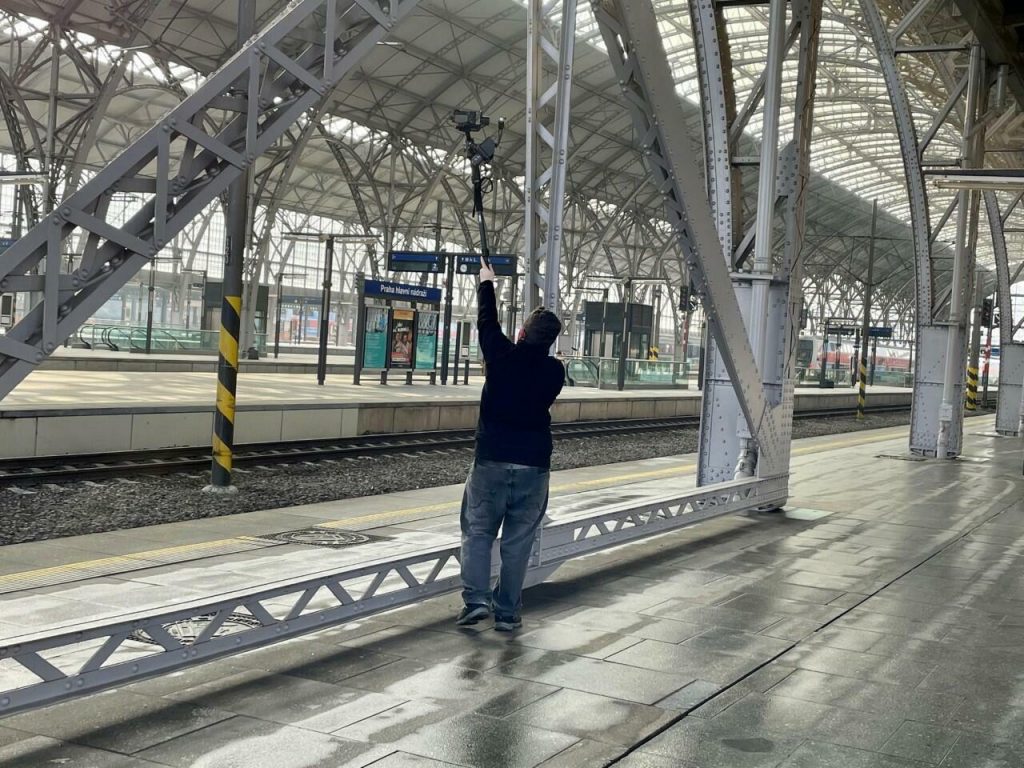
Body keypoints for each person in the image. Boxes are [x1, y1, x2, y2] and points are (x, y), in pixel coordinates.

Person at [456, 258, 564, 632]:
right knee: (518, 541)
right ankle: (507, 612)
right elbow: (497, 331)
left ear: (521, 332)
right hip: (534, 465)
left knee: (478, 532)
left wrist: (486, 282)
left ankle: (475, 602)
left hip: (492, 460)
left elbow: (487, 323)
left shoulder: (501, 357)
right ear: (550, 342)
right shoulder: (554, 372)